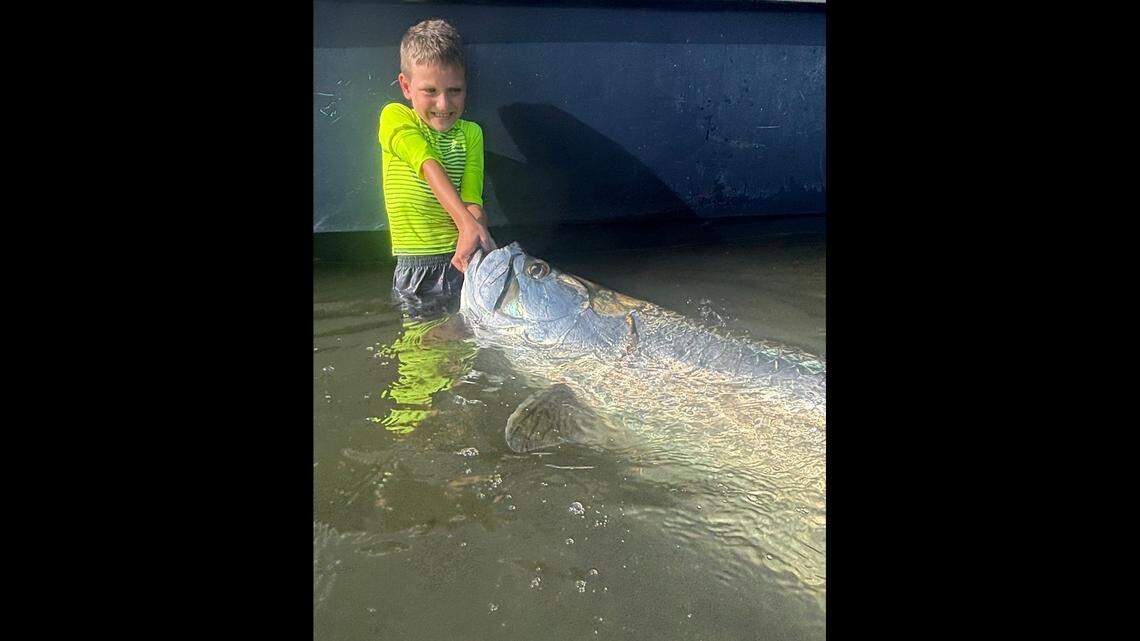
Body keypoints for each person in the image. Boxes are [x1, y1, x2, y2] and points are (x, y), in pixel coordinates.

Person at [378, 19, 496, 310]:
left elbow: (473, 198)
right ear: (406, 86)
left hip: (464, 261)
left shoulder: (472, 133)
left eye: (454, 91)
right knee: (424, 351)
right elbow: (426, 163)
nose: (443, 104)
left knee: (467, 350)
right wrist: (465, 223)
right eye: (430, 91)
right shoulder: (395, 117)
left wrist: (478, 231)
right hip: (416, 269)